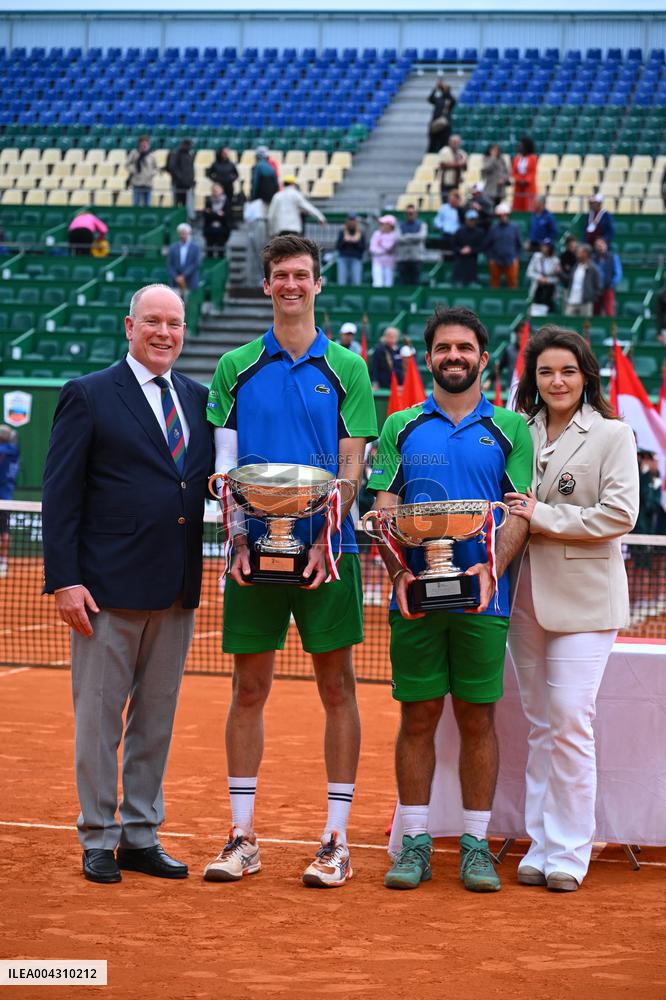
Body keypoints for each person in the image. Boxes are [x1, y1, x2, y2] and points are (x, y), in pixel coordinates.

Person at [203, 235, 377, 888]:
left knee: (338, 687)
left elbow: (354, 462)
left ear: (318, 284)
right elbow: (224, 467)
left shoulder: (349, 369)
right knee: (248, 688)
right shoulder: (235, 366)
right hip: (253, 551)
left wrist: (332, 513)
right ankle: (242, 836)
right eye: (280, 275)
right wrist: (240, 526)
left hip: (330, 549)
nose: (291, 285)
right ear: (268, 285)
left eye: (302, 274)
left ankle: (335, 840)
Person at [41, 284, 213, 884]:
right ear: (129, 326)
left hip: (175, 588)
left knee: (155, 720)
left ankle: (140, 835)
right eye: (153, 322)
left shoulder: (197, 398)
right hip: (105, 591)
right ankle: (97, 835)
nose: (164, 333)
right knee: (99, 720)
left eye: (175, 323)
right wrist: (65, 580)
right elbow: (59, 497)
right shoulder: (87, 394)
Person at [368, 306, 533, 892]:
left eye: (465, 348)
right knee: (417, 716)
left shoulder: (512, 429)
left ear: (483, 360)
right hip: (414, 599)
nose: (454, 357)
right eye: (443, 349)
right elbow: (383, 511)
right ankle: (413, 843)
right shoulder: (399, 427)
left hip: (485, 600)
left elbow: (519, 513)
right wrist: (398, 572)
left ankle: (475, 846)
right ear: (430, 356)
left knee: (477, 717)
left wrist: (492, 568)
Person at [505, 325, 639, 892]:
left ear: (585, 375)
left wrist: (543, 517)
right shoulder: (517, 430)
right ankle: (540, 842)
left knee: (569, 721)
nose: (556, 381)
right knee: (540, 724)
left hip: (586, 600)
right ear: (532, 380)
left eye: (567, 370)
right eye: (545, 372)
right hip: (521, 597)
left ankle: (571, 851)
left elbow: (619, 514)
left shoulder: (613, 434)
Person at [485, 203, 522, 289]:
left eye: (504, 215)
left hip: (511, 260)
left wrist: (515, 258)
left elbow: (519, 245)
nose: (503, 217)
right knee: (494, 283)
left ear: (508, 215)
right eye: (500, 216)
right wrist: (491, 258)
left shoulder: (514, 228)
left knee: (512, 282)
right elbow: (487, 245)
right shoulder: (493, 229)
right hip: (496, 260)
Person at [0, 424, 20, 578]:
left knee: (4, 532)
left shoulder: (6, 451)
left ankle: (3, 561)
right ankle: (3, 561)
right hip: (7, 497)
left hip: (4, 497)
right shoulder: (13, 451)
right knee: (4, 531)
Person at [564, 245, 601, 318]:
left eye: (580, 252)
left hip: (585, 302)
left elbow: (598, 286)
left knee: (585, 327)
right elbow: (570, 281)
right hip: (572, 300)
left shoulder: (593, 268)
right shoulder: (575, 266)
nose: (577, 254)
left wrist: (590, 298)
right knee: (567, 324)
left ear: (585, 254)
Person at [452, 208, 486, 286]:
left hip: (472, 265)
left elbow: (482, 247)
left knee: (472, 285)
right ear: (466, 220)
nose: (472, 221)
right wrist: (461, 250)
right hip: (460, 264)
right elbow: (454, 245)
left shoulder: (480, 232)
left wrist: (471, 250)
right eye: (470, 219)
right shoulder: (459, 231)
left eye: (473, 219)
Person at [166, 223, 202, 297]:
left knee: (188, 305)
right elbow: (170, 264)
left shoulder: (196, 248)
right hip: (175, 283)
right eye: (182, 233)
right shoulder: (173, 248)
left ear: (189, 234)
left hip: (190, 282)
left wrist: (183, 276)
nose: (183, 235)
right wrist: (176, 277)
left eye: (185, 233)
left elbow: (196, 263)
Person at [395, 205, 427, 286]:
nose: (410, 215)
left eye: (412, 213)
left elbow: (421, 237)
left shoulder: (422, 224)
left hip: (416, 258)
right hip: (403, 258)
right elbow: (398, 238)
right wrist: (413, 237)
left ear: (416, 214)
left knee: (415, 282)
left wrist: (406, 236)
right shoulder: (399, 225)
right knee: (403, 282)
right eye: (408, 213)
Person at [526, 238, 560, 314]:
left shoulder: (556, 260)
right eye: (543, 246)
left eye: (546, 246)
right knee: (535, 310)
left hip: (549, 292)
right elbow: (529, 272)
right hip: (537, 289)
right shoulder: (536, 257)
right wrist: (539, 278)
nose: (543, 248)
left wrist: (547, 280)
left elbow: (557, 279)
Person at [125, 135, 158, 208]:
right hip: (137, 182)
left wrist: (152, 173)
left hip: (148, 183)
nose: (144, 145)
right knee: (136, 204)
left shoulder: (152, 155)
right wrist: (133, 170)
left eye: (145, 143)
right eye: (142, 143)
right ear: (139, 144)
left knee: (147, 205)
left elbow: (156, 168)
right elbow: (127, 165)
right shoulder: (134, 153)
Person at [592, 237, 622, 317]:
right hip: (596, 290)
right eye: (597, 245)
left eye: (601, 244)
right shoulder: (593, 259)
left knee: (609, 312)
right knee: (595, 313)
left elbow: (618, 274)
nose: (600, 246)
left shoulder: (613, 257)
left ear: (606, 245)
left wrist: (612, 284)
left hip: (608, 289)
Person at [165, 138, 195, 218]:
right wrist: (181, 178)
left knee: (185, 204)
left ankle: (183, 219)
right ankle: (176, 219)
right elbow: (172, 167)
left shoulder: (189, 154)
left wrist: (191, 180)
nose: (190, 147)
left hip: (186, 184)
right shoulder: (175, 153)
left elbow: (190, 169)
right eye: (189, 145)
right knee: (176, 203)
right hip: (178, 183)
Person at [336, 214, 366, 285]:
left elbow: (363, 248)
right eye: (350, 220)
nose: (351, 222)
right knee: (341, 282)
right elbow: (338, 246)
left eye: (353, 220)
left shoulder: (361, 232)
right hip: (343, 258)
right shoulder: (342, 232)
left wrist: (355, 242)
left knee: (356, 282)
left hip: (356, 258)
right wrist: (345, 241)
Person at [427, 79, 456, 153]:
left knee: (444, 146)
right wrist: (435, 88)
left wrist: (447, 90)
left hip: (445, 127)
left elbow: (453, 100)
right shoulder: (438, 99)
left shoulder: (450, 100)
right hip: (435, 125)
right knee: (432, 145)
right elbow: (430, 99)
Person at [203, 183, 231, 259]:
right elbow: (206, 215)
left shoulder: (226, 201)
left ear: (222, 190)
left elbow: (226, 216)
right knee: (209, 252)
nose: (215, 191)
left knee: (221, 251)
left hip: (222, 231)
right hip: (210, 230)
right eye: (214, 190)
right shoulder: (209, 201)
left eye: (217, 190)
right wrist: (218, 214)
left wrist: (212, 213)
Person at [369, 214, 398, 287]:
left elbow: (390, 247)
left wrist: (381, 245)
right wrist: (385, 251)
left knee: (388, 284)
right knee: (377, 284)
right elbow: (372, 249)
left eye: (383, 223)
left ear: (390, 225)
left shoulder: (394, 235)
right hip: (377, 262)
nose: (381, 225)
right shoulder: (376, 234)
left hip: (390, 263)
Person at [511, 136, 538, 213]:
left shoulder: (533, 158)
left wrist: (525, 181)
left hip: (528, 186)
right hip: (518, 186)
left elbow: (532, 172)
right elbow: (514, 172)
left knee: (529, 207)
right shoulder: (517, 158)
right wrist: (519, 180)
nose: (519, 147)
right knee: (517, 207)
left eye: (521, 145)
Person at [433, 191, 461, 260]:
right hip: (446, 235)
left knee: (456, 255)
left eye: (452, 199)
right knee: (445, 255)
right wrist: (441, 226)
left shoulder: (461, 209)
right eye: (449, 199)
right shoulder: (444, 208)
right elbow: (437, 219)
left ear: (457, 199)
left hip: (457, 236)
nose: (450, 200)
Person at [439, 135, 467, 200]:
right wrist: (458, 164)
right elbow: (442, 165)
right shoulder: (444, 151)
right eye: (454, 142)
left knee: (456, 200)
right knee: (446, 199)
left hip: (457, 182)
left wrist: (463, 163)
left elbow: (465, 167)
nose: (456, 144)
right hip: (446, 181)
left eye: (457, 142)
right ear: (450, 142)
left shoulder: (461, 153)